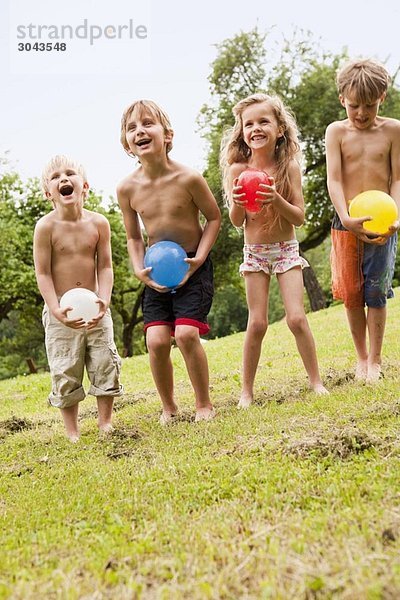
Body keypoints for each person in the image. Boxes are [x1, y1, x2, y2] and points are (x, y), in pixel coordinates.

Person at [220, 93, 328, 408]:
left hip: (285, 249)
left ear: (280, 128)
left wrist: (275, 199)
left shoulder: (288, 166)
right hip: (254, 252)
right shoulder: (236, 170)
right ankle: (246, 392)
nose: (255, 128)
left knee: (296, 318)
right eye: (248, 123)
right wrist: (239, 203)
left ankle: (316, 381)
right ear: (241, 131)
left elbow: (299, 216)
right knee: (257, 323)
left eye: (263, 121)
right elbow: (238, 221)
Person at [117, 100, 221, 424]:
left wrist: (199, 258)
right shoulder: (126, 188)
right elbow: (135, 238)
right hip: (156, 273)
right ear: (126, 143)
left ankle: (204, 404)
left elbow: (215, 218)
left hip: (193, 267)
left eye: (148, 123)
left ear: (168, 134)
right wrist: (138, 268)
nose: (140, 131)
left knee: (187, 335)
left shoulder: (189, 178)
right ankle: (169, 407)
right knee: (157, 341)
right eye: (132, 128)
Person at [33, 155, 123, 442]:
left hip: (96, 308)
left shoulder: (99, 223)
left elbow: (105, 266)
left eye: (70, 173)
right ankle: (72, 431)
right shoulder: (45, 227)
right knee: (65, 367)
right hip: (61, 312)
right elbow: (43, 273)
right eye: (55, 176)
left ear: (85, 186)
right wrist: (55, 309)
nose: (63, 179)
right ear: (49, 192)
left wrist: (104, 300)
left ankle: (105, 422)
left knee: (104, 362)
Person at [325, 58, 400, 383]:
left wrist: (396, 214)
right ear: (342, 98)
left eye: (369, 105)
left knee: (376, 292)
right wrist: (345, 215)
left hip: (383, 224)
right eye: (354, 105)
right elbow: (335, 179)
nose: (361, 113)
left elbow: (397, 178)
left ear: (382, 96)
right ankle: (360, 358)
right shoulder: (336, 132)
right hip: (347, 222)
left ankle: (376, 361)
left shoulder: (394, 129)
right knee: (352, 293)